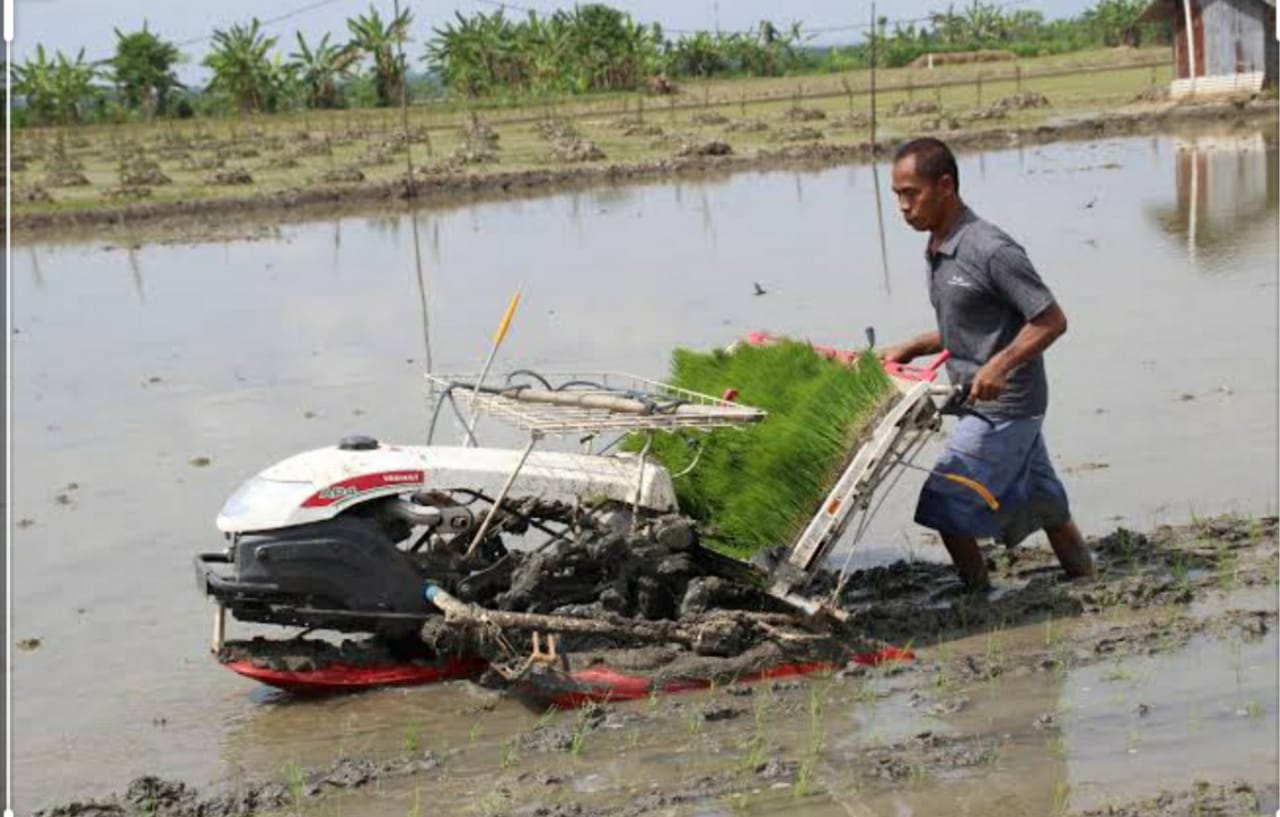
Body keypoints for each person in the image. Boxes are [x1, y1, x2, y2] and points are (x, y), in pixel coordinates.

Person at [879, 137, 1094, 591]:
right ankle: (1085, 578)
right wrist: (915, 345)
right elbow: (976, 321)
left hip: (1006, 405)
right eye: (896, 195)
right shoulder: (939, 243)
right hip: (985, 400)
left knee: (944, 499)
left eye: (910, 193)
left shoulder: (991, 249)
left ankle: (977, 596)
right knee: (1044, 502)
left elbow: (1051, 320)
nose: (902, 206)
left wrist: (999, 365)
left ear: (945, 186)